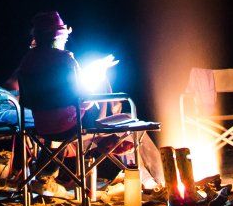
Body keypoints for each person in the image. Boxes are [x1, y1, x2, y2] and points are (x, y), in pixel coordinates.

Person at [12, 10, 165, 189]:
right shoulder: (65, 60)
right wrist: (97, 77)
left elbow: (40, 95)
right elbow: (82, 98)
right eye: (63, 36)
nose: (66, 39)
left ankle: (63, 160)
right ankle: (154, 181)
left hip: (42, 127)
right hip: (69, 128)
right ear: (57, 37)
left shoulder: (27, 61)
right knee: (127, 117)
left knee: (91, 118)